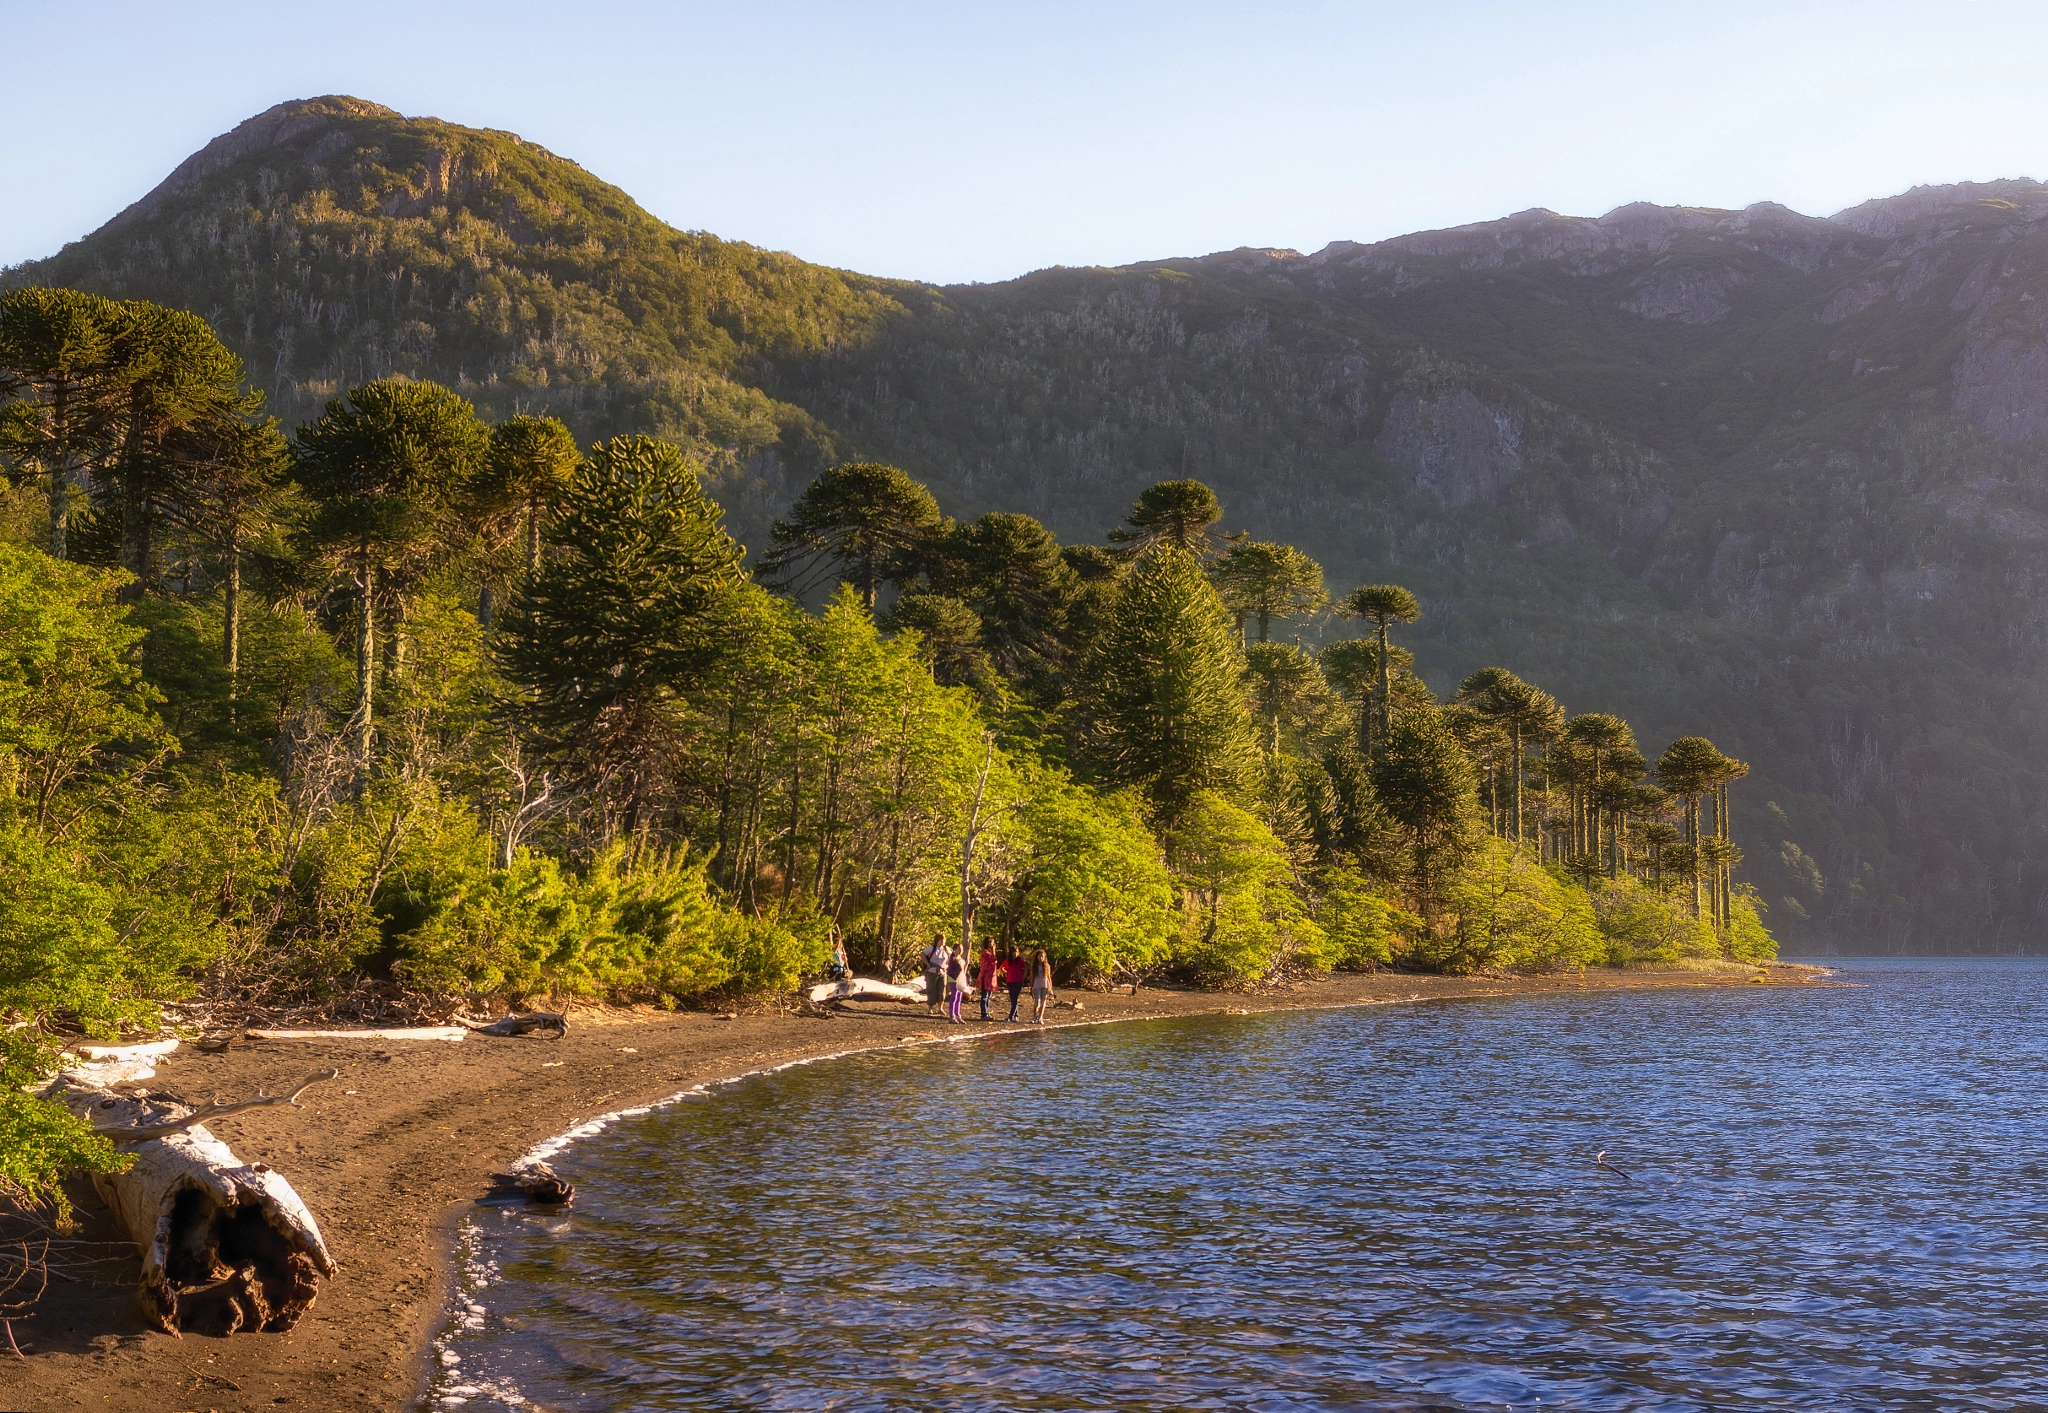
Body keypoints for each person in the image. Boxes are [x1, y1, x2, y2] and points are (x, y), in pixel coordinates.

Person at [922, 933, 949, 1016]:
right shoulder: (932, 949)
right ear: (938, 940)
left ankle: (940, 1008)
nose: (943, 941)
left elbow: (952, 956)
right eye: (941, 940)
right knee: (931, 989)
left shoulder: (946, 949)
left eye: (943, 940)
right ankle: (930, 1008)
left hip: (942, 972)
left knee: (942, 989)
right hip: (932, 971)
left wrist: (947, 965)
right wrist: (927, 964)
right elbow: (922, 954)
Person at [1001, 945, 1028, 1022]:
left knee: (1014, 999)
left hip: (1018, 982)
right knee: (1012, 999)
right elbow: (1001, 968)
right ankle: (1016, 1015)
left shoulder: (1020, 961)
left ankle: (1010, 1016)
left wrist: (1023, 977)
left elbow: (1025, 969)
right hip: (1010, 982)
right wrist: (1006, 972)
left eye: (1016, 952)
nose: (1015, 954)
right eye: (1013, 952)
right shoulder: (1008, 961)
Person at [976, 938, 999, 1022]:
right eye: (989, 942)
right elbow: (992, 959)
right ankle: (984, 1014)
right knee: (984, 996)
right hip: (985, 977)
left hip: (991, 978)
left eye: (992, 942)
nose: (991, 944)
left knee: (988, 996)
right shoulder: (985, 952)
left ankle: (987, 1012)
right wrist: (993, 951)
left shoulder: (990, 952)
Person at [1030, 949, 1053, 1025]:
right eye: (1039, 956)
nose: (1041, 958)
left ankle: (1040, 1017)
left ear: (1044, 957)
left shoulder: (1047, 966)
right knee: (1037, 1001)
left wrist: (1050, 988)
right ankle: (1034, 1016)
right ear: (1037, 957)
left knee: (1043, 1002)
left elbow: (1049, 977)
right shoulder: (1034, 966)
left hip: (1045, 985)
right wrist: (1031, 987)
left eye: (1042, 956)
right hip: (1037, 985)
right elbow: (1032, 977)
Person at [946, 945, 967, 1023]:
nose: (961, 950)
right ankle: (952, 1016)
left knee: (959, 997)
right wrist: (958, 971)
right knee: (954, 997)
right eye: (959, 949)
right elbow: (949, 971)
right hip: (953, 978)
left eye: (962, 949)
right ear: (954, 949)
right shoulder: (952, 959)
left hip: (960, 979)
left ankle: (958, 1015)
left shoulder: (960, 959)